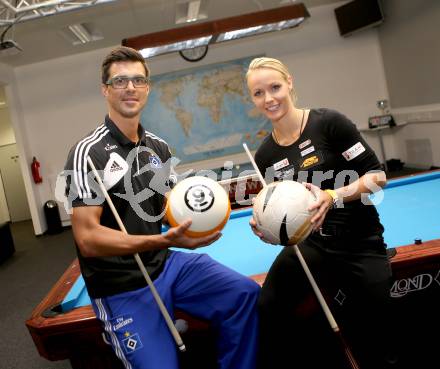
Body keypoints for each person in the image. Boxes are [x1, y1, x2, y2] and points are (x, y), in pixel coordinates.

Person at [64, 46, 259, 369]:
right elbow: (88, 239)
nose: (130, 88)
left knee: (243, 294)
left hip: (166, 266)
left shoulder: (158, 147)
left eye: (138, 80)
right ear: (105, 90)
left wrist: (188, 231)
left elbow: (170, 209)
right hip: (120, 285)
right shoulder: (86, 153)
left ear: (147, 88)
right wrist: (160, 240)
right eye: (120, 81)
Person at [246, 57, 397, 369]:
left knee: (377, 337)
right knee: (268, 307)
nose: (269, 98)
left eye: (275, 87)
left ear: (289, 83)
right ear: (253, 99)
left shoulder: (328, 123)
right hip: (313, 247)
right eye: (259, 93)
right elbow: (285, 212)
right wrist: (269, 228)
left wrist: (333, 195)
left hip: (360, 242)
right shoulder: (266, 155)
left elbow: (377, 177)